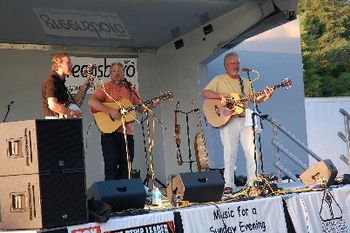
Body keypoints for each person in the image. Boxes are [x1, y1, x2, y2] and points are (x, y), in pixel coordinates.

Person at [201, 52, 274, 194]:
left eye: (238, 63)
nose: (236, 66)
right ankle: (229, 184)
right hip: (228, 120)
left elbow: (254, 100)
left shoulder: (245, 82)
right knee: (230, 153)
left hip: (245, 118)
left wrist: (266, 96)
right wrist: (221, 96)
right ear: (226, 66)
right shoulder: (219, 79)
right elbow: (205, 93)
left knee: (251, 151)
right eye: (233, 63)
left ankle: (252, 182)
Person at [88, 62, 158, 180]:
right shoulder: (104, 87)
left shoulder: (130, 89)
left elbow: (140, 108)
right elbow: (92, 102)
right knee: (111, 165)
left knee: (127, 166)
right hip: (109, 133)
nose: (117, 73)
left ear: (124, 73)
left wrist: (152, 105)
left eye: (119, 71)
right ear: (110, 73)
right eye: (114, 71)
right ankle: (111, 197)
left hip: (127, 133)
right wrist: (110, 111)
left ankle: (125, 196)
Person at [42, 52, 91, 119]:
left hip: (62, 123)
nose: (71, 65)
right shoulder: (52, 81)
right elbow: (53, 105)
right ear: (59, 65)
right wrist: (71, 112)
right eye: (68, 62)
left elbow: (73, 102)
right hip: (54, 123)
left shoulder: (60, 82)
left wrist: (85, 86)